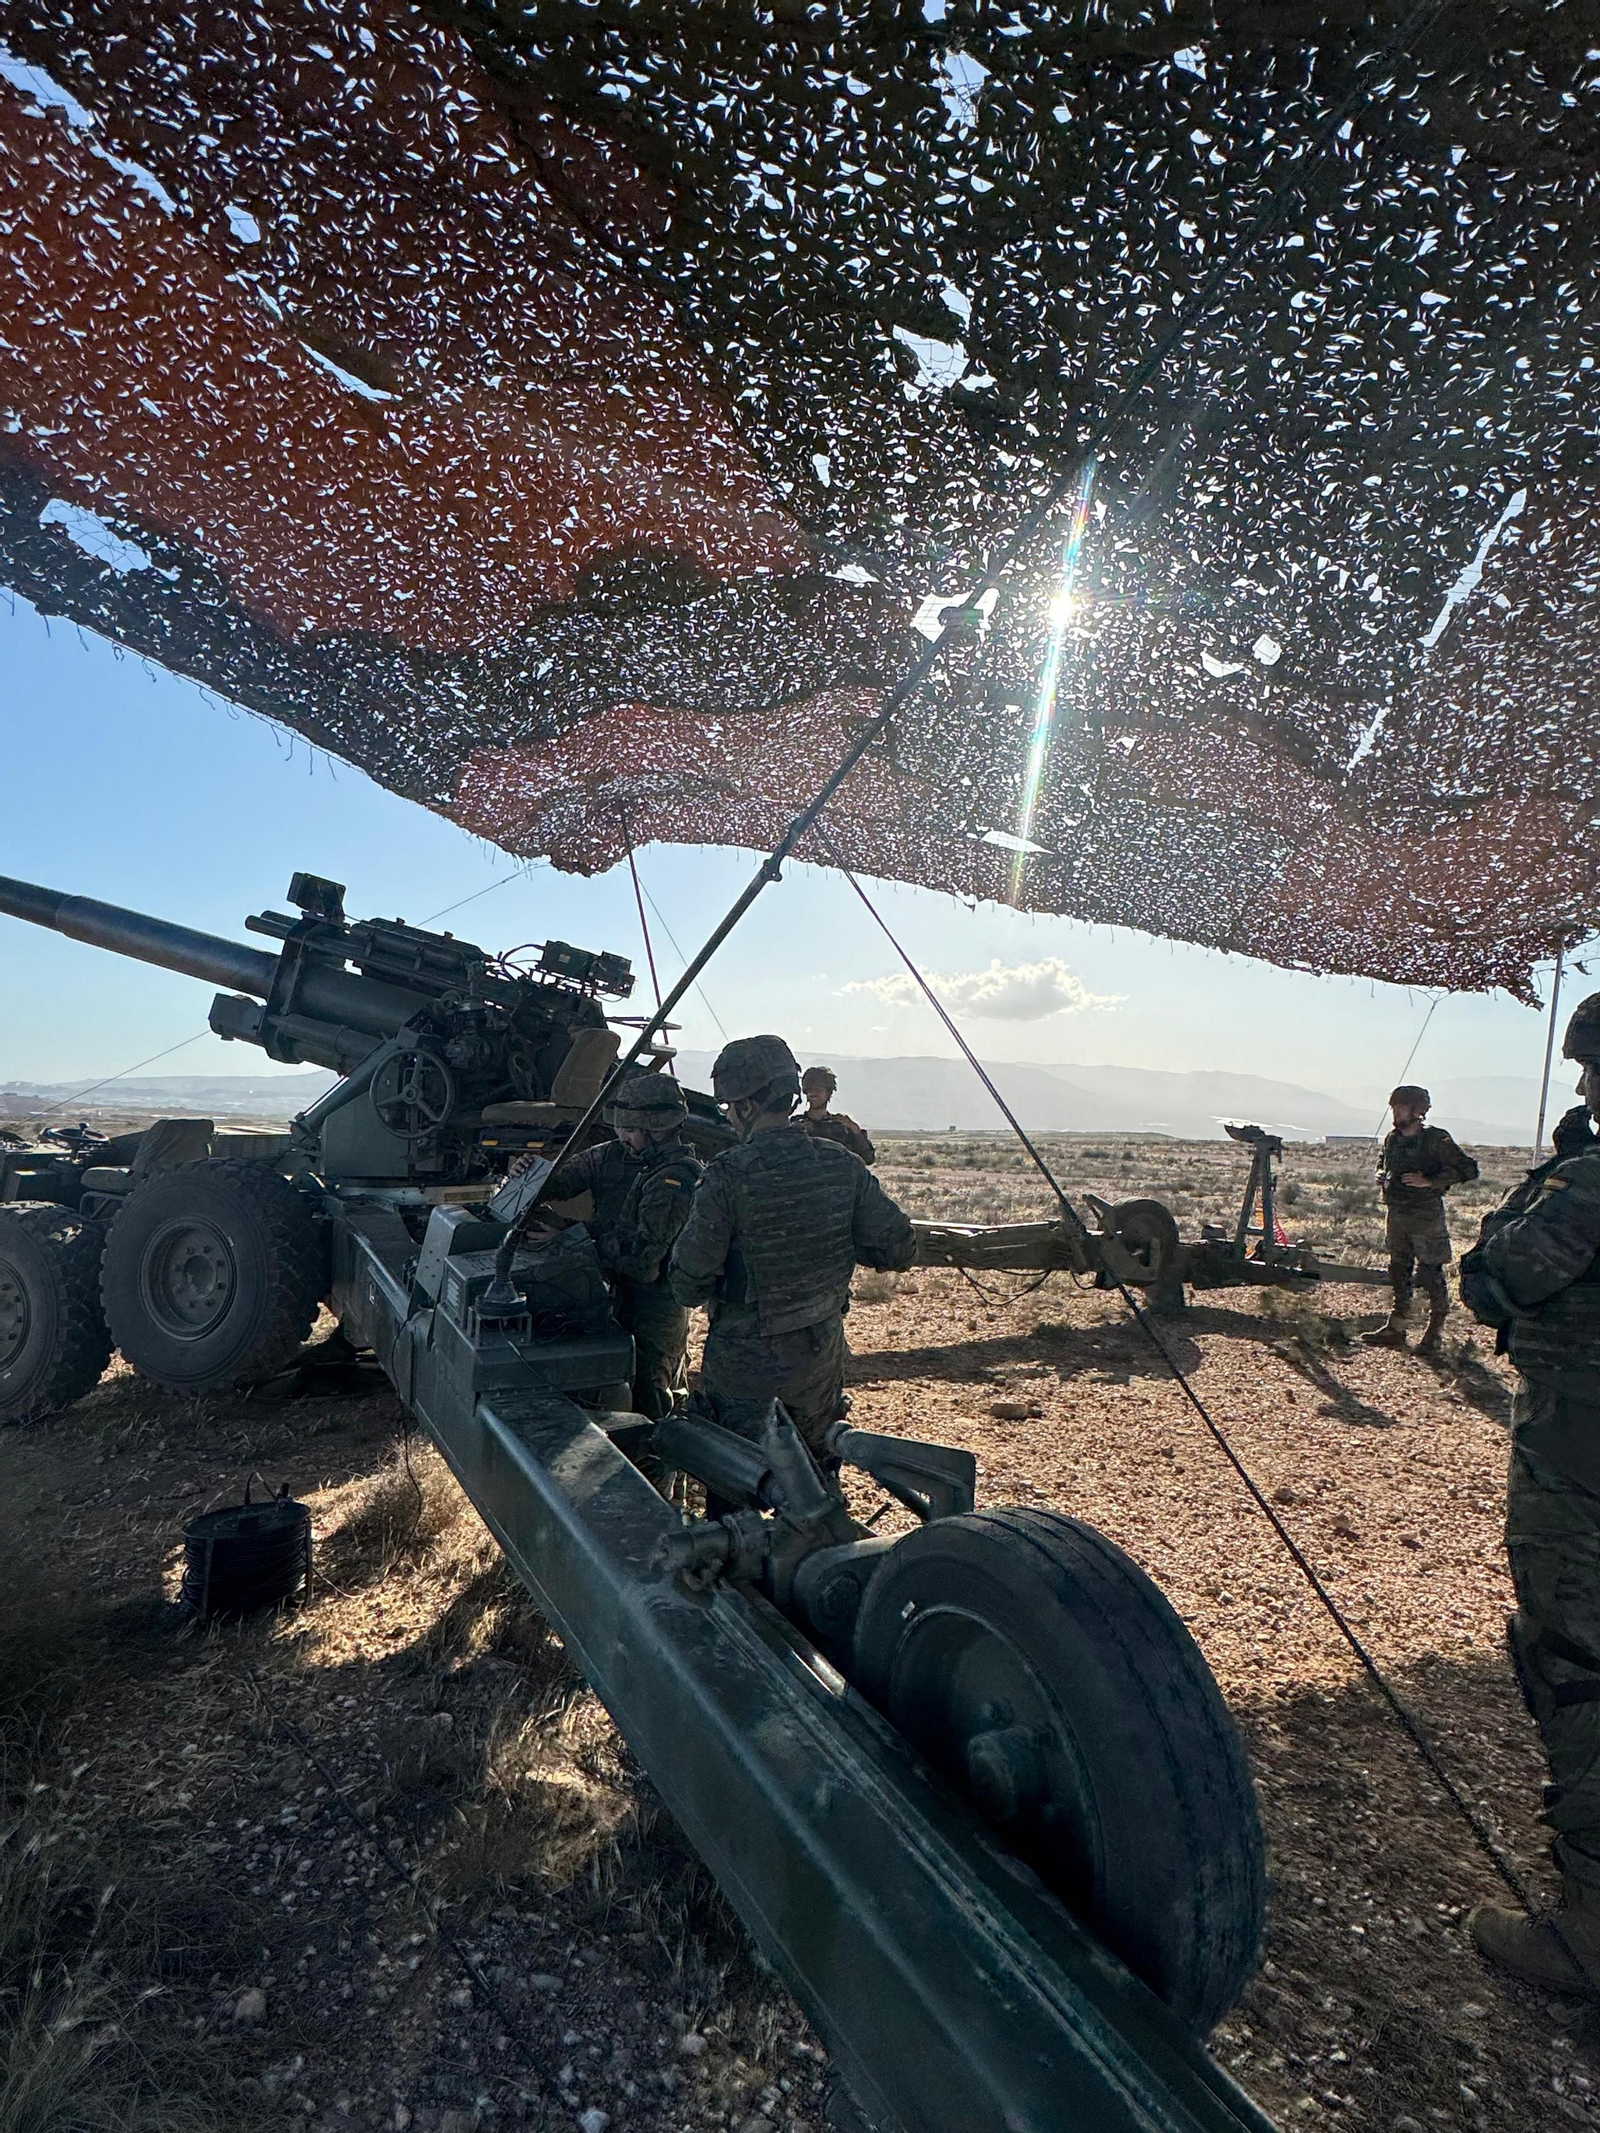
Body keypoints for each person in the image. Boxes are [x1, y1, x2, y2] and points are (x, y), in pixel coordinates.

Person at [1458, 995, 1600, 1993]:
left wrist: (1545, 1181)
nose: (1586, 1086)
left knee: (1577, 1667)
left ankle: (1588, 1931)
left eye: (1592, 1068)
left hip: (1579, 1472)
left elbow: (1491, 1284)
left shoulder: (1588, 1186)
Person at [668, 1035, 915, 1453]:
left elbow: (688, 1283)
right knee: (816, 1474)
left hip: (745, 1362)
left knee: (738, 1480)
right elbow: (900, 1248)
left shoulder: (728, 1174)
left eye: (729, 1107)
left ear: (745, 1107)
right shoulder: (842, 1163)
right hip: (820, 1353)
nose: (728, 1116)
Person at [548, 1070, 702, 1420]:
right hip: (611, 1295)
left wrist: (570, 1234)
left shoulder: (674, 1179)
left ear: (659, 1129)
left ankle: (658, 1472)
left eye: (631, 1130)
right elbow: (561, 1181)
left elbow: (642, 1259)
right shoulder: (615, 1156)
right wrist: (534, 1176)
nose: (622, 1137)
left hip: (654, 1308)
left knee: (653, 1401)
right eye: (620, 1128)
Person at [1360, 1084, 1479, 1354]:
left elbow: (1469, 1170)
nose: (1396, 1113)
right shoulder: (1393, 1138)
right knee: (1399, 1270)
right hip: (1397, 1213)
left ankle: (1434, 1333)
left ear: (1418, 1112)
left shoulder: (1436, 1140)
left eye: (1401, 1108)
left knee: (1430, 1273)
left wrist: (1430, 1181)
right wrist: (1380, 1174)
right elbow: (1383, 1161)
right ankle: (1397, 1326)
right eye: (1394, 1107)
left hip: (1425, 1217)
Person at [798, 1064, 876, 1164]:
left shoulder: (841, 1127)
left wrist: (856, 1132)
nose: (813, 1094)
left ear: (829, 1093)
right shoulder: (796, 1125)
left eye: (818, 1090)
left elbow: (868, 1159)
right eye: (810, 1090)